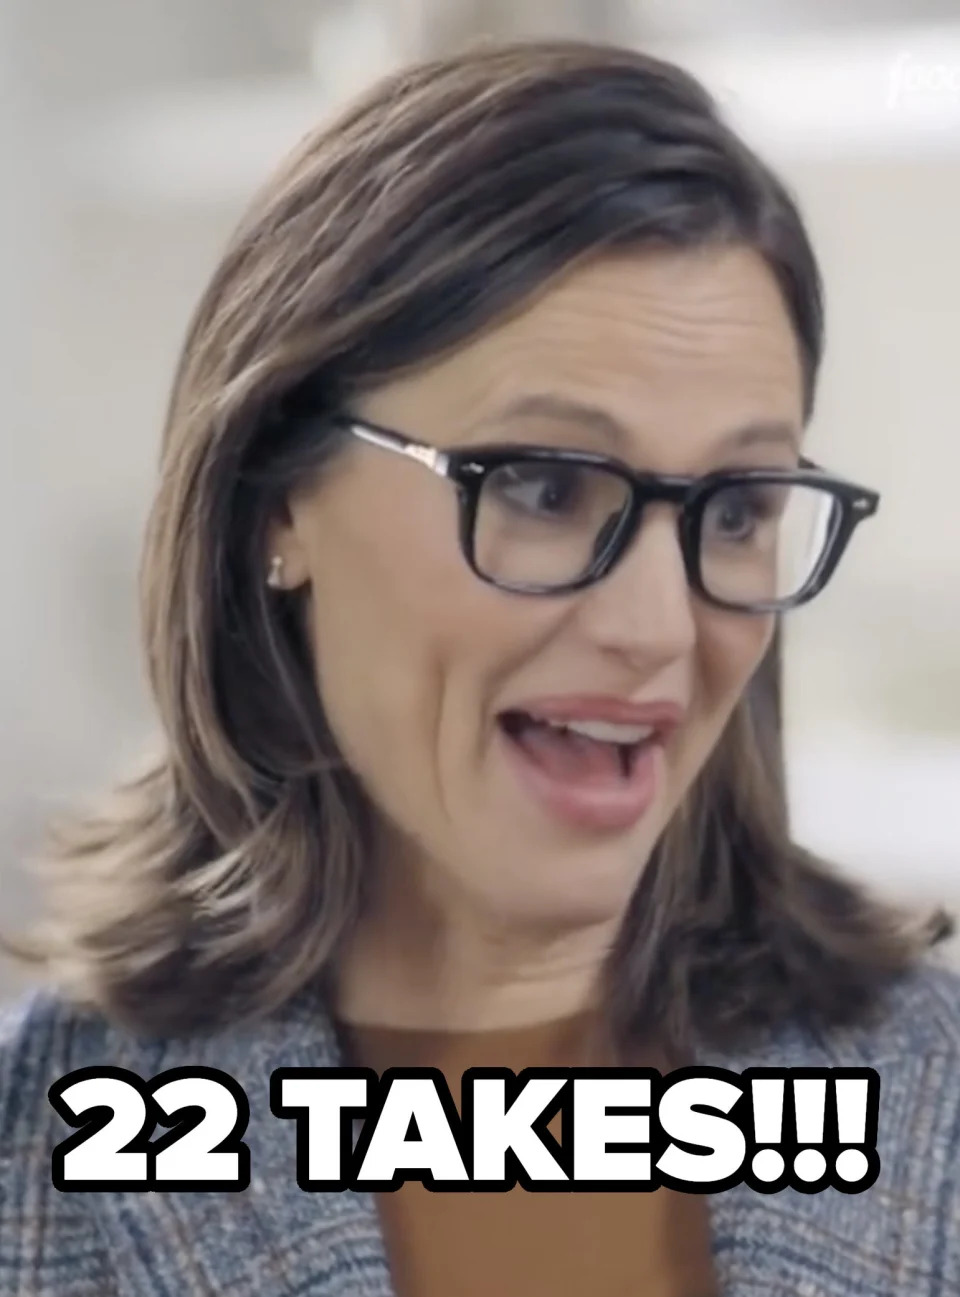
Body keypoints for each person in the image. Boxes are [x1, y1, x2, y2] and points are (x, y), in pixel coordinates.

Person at [1, 38, 958, 1297]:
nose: (659, 628)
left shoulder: (926, 1113)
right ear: (274, 502)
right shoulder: (50, 1142)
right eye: (546, 487)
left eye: (734, 510)